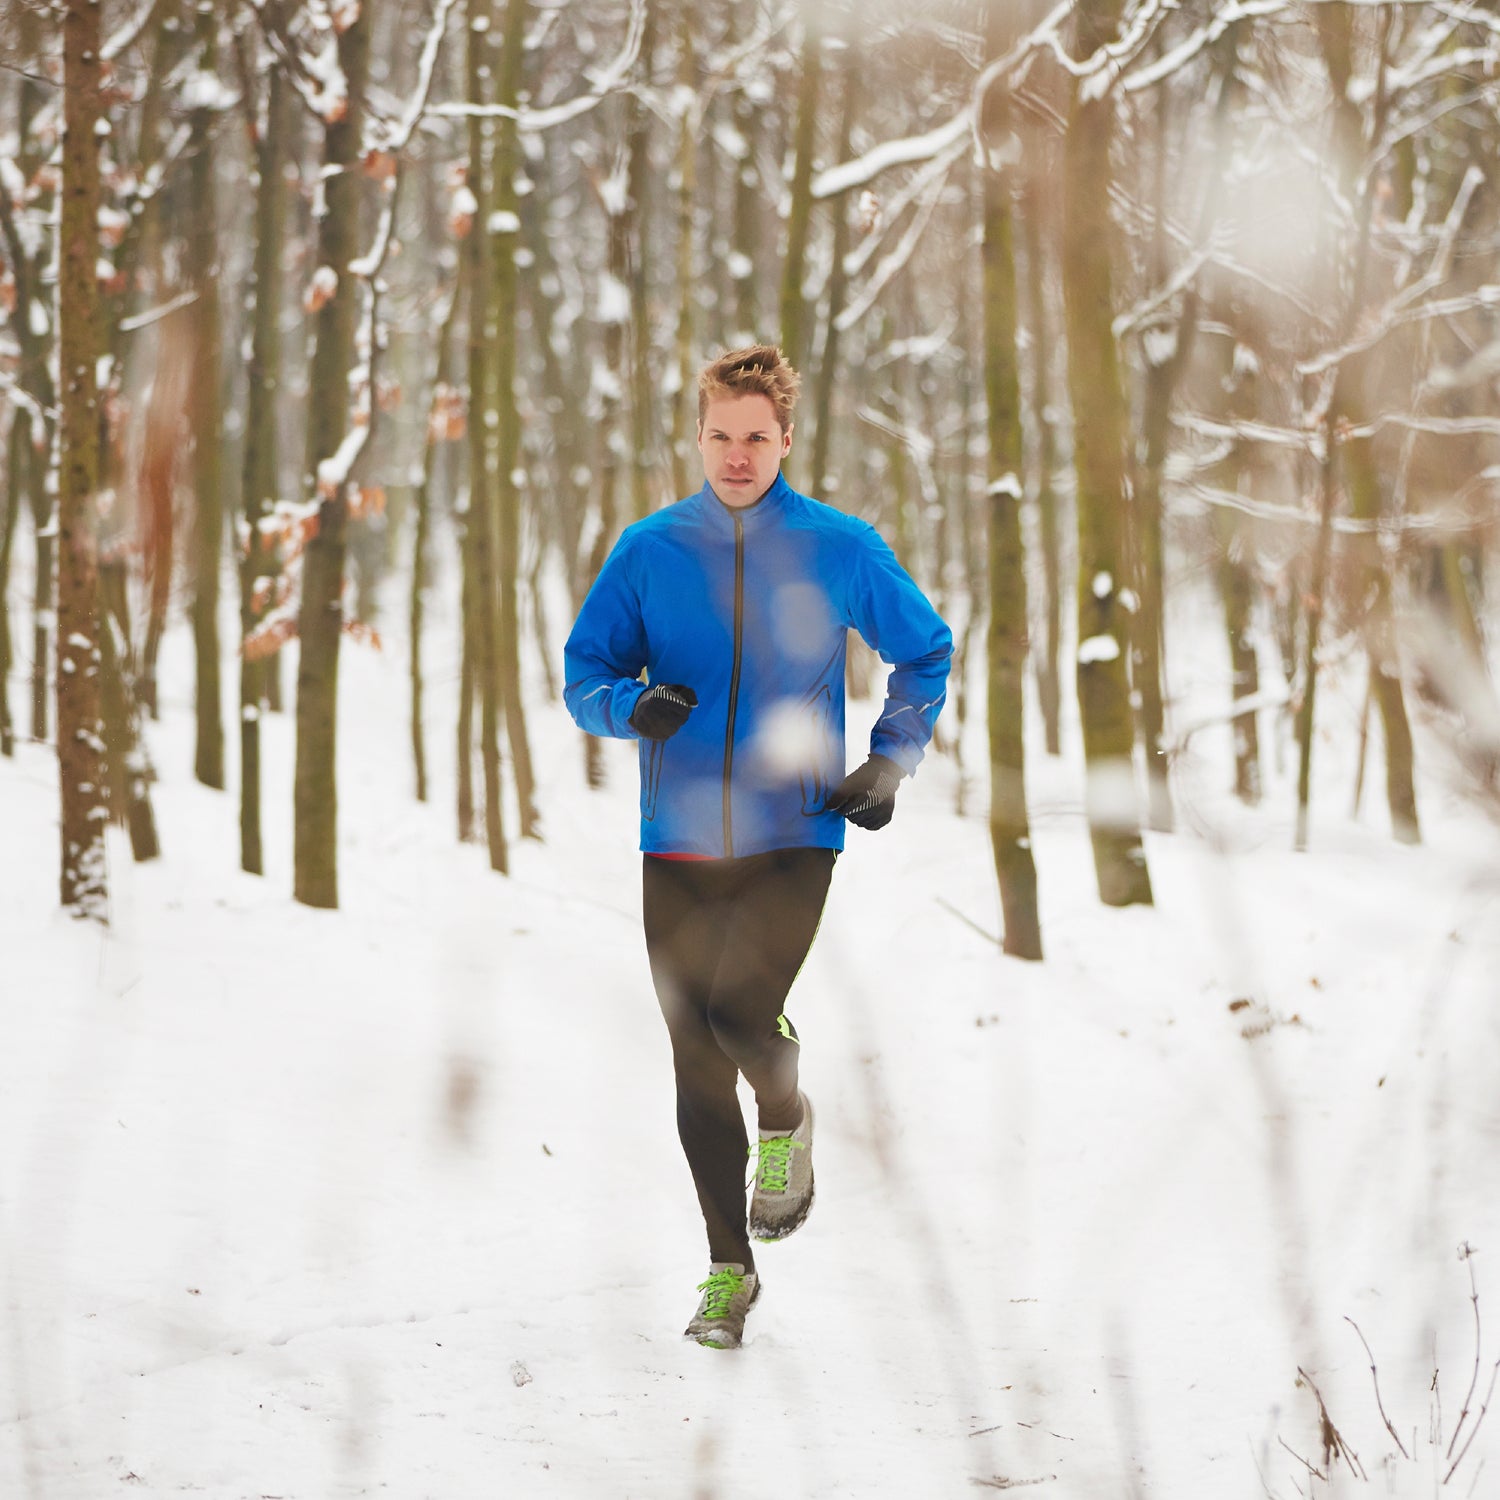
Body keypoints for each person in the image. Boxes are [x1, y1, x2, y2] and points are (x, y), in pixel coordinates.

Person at [563, 345, 952, 1350]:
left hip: (795, 830)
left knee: (740, 1012)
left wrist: (891, 757)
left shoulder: (839, 547)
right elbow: (584, 673)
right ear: (698, 437)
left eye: (756, 438)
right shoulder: (649, 550)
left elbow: (924, 648)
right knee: (694, 1055)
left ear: (786, 441)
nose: (737, 455)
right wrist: (626, 706)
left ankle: (785, 1118)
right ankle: (728, 1274)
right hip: (679, 840)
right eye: (720, 436)